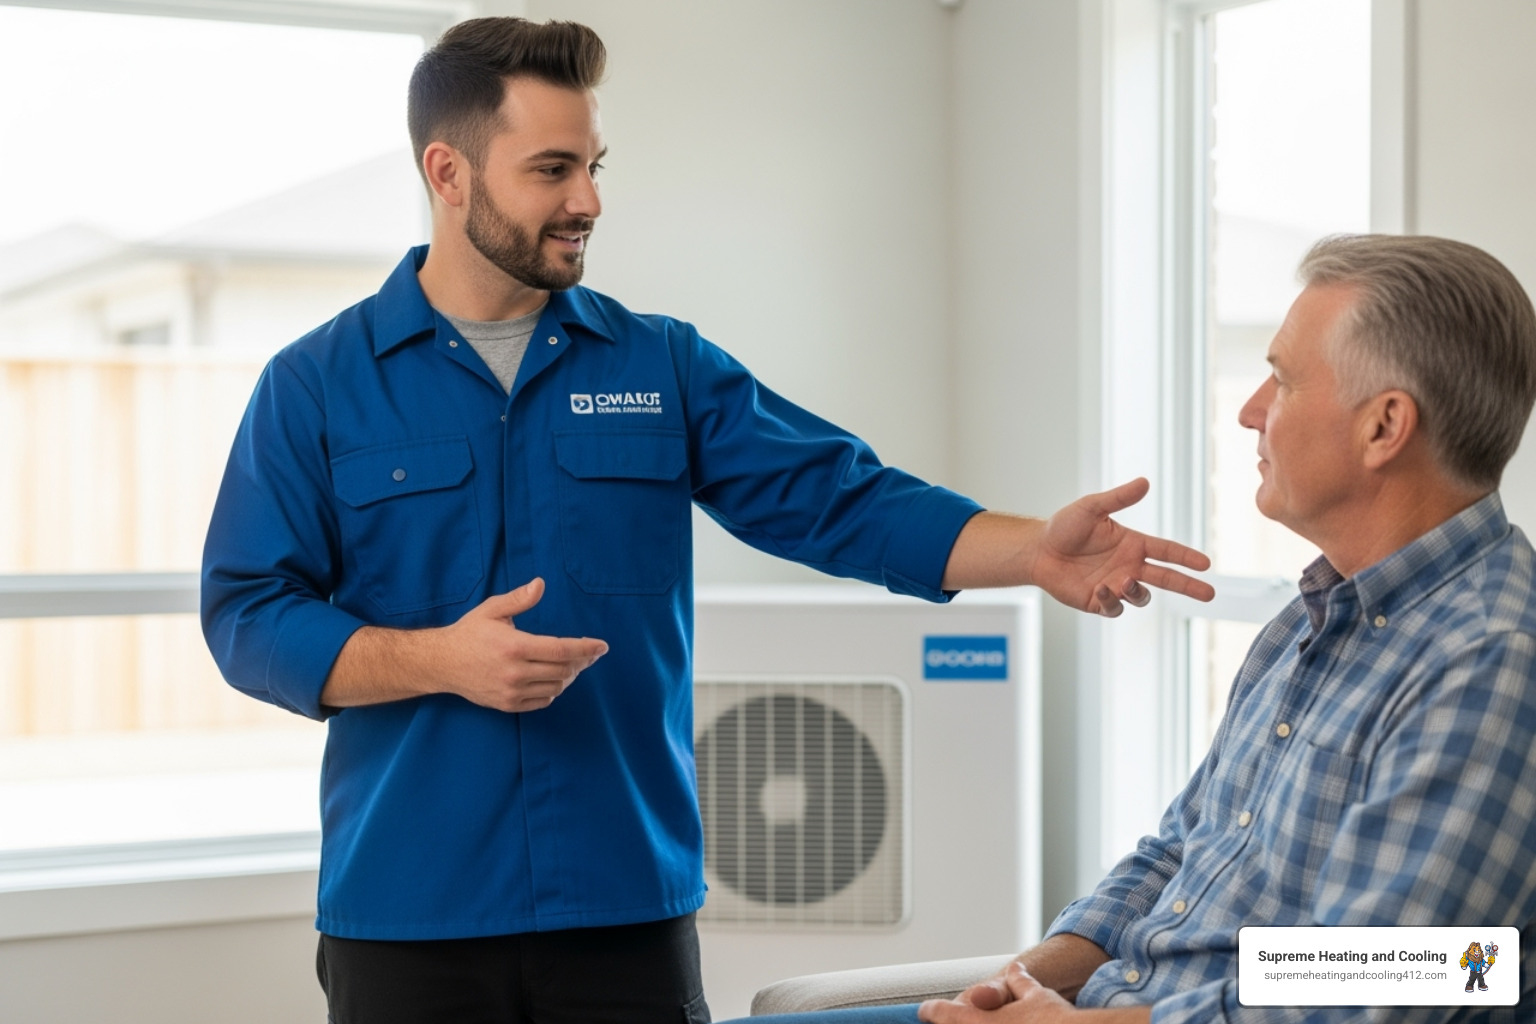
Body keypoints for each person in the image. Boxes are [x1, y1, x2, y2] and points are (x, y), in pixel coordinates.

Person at [200, 17, 1213, 1024]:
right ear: (448, 173)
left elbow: (843, 499)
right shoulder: (316, 387)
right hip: (406, 911)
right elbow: (247, 613)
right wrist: (436, 660)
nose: (588, 201)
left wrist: (1032, 550)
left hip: (623, 903)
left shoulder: (660, 368)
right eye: (551, 170)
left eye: (594, 166)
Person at [736, 234, 1536, 1024]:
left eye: (1284, 383)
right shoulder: (1311, 619)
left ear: (1383, 427)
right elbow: (1177, 856)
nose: (1250, 411)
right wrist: (1013, 985)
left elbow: (1383, 985)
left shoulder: (1489, 660)